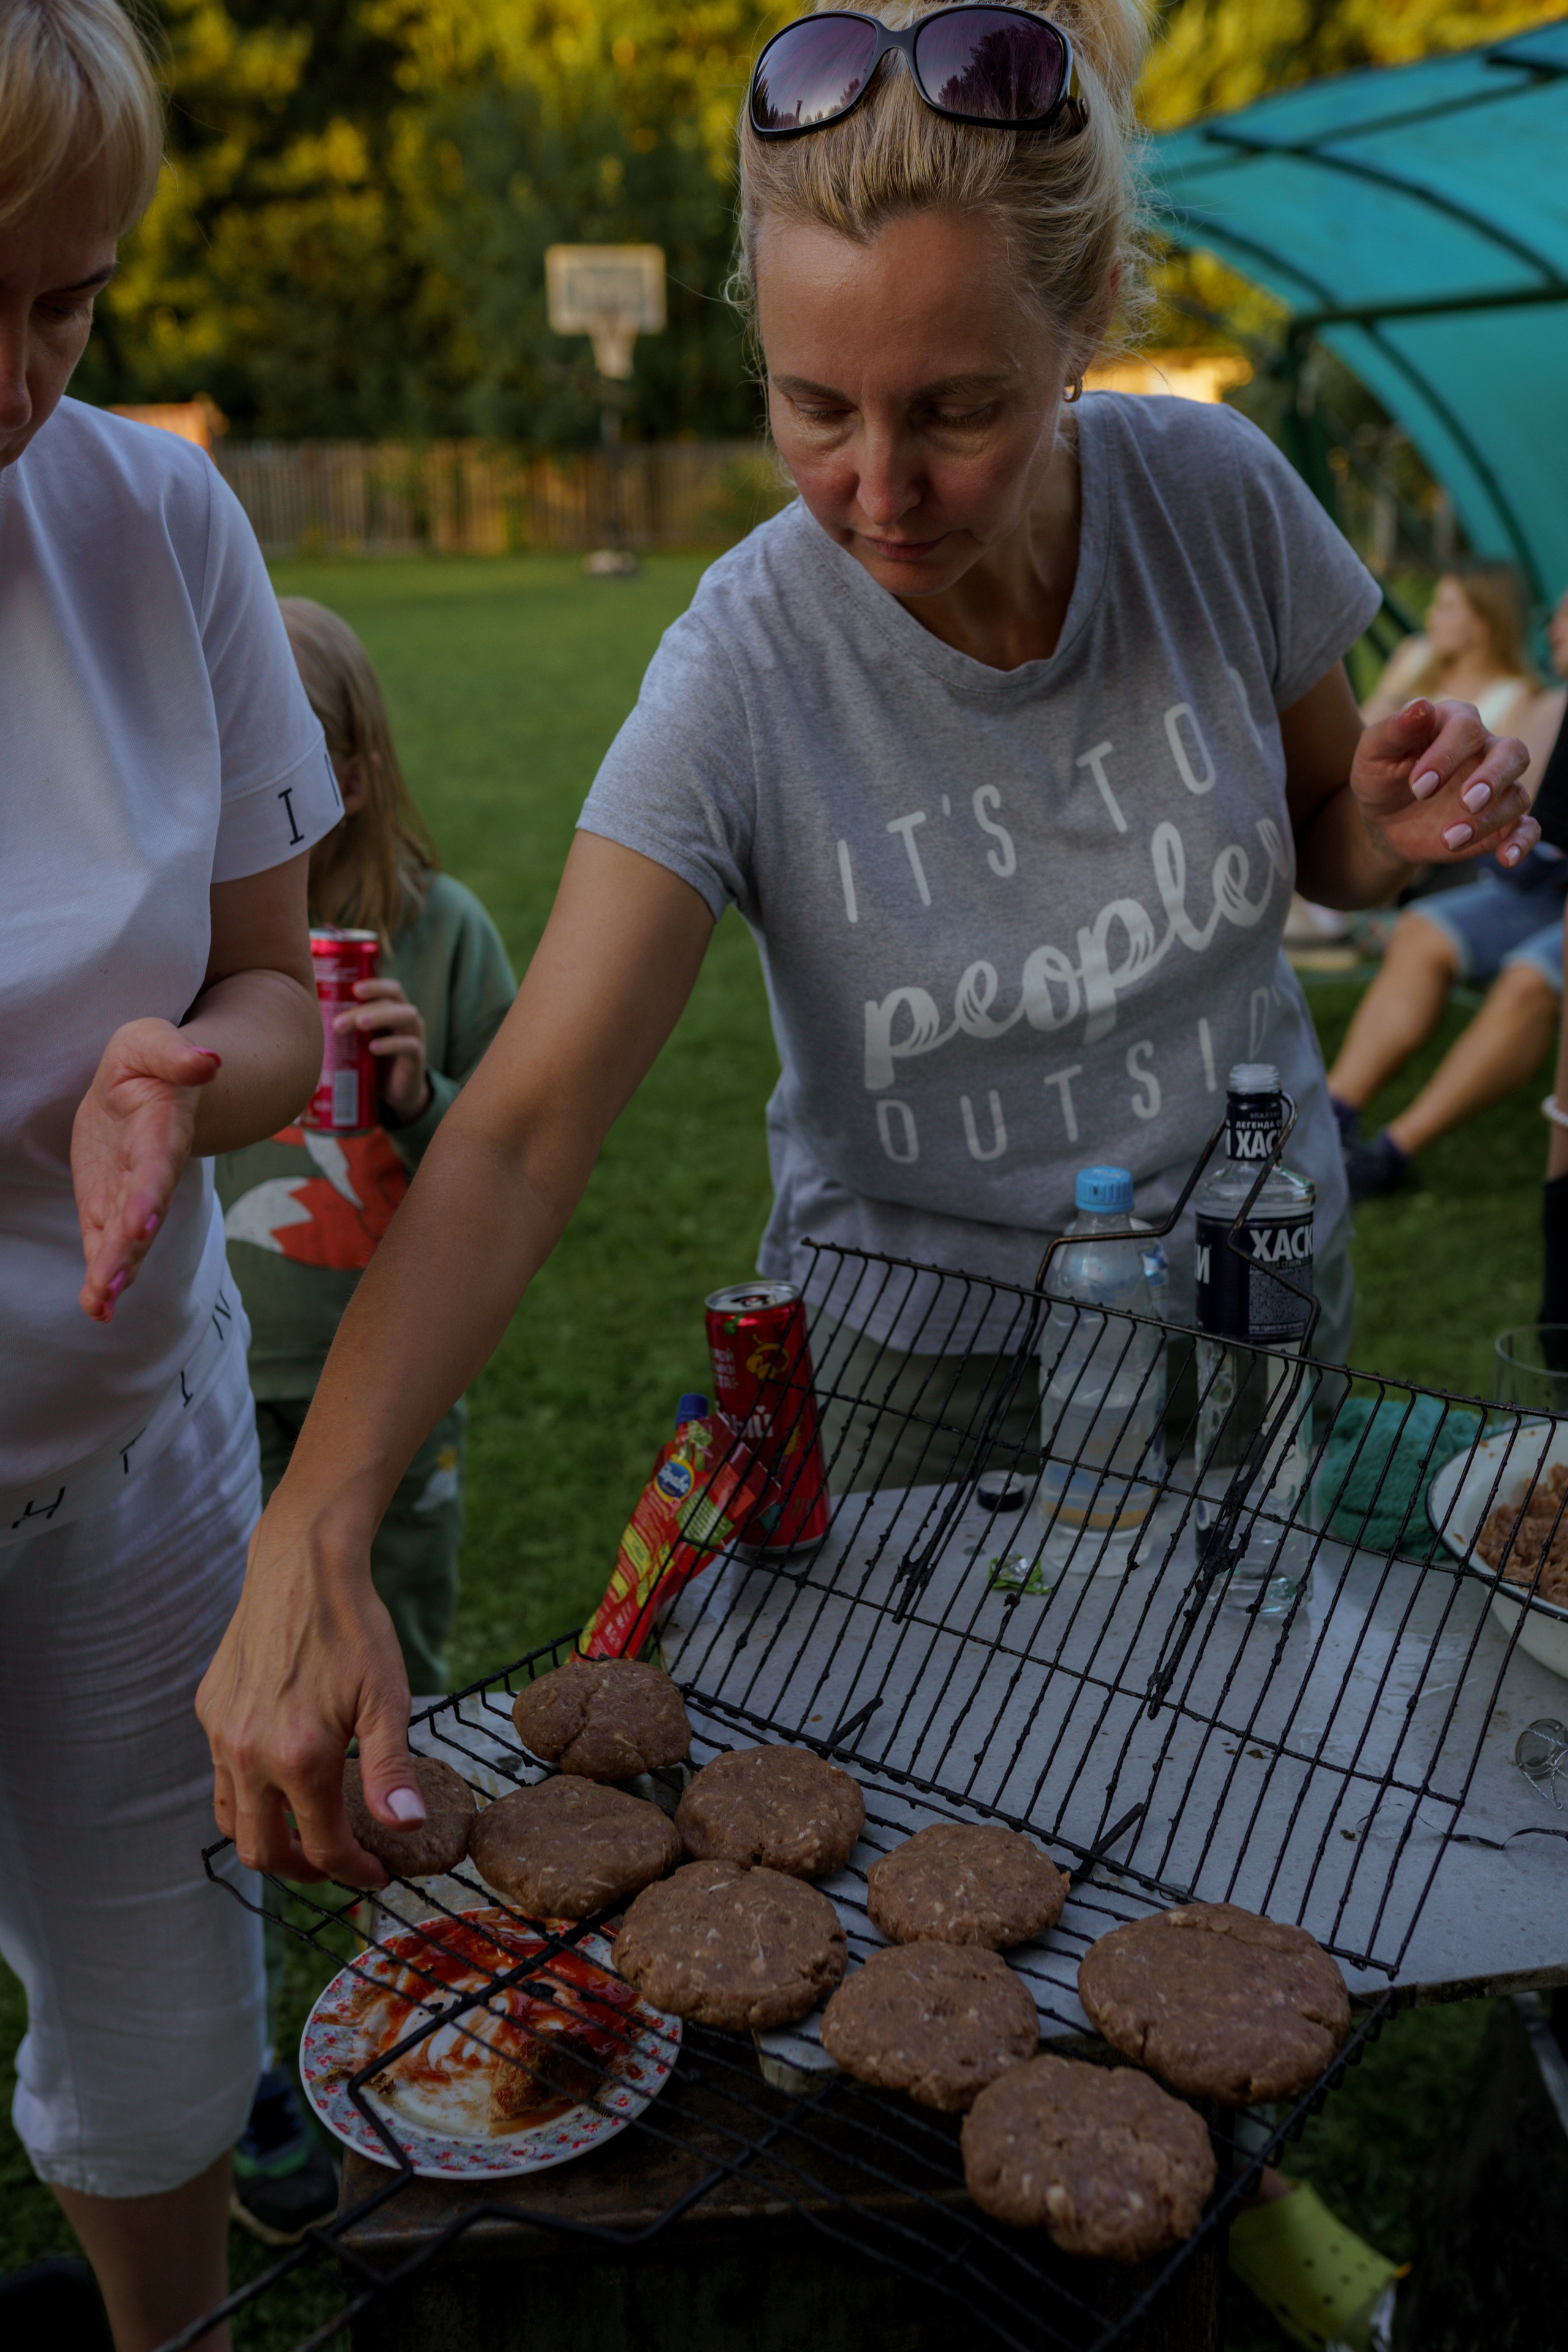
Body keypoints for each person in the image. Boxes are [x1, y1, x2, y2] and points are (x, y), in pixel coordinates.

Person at [200, 0, 1532, 1884]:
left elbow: (1325, 825)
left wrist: (1384, 840)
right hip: (913, 1380)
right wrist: (313, 1520)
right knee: (927, 1871)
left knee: (1230, 1805)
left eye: (956, 408)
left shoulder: (1219, 509)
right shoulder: (743, 671)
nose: (875, 490)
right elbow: (517, 1122)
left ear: (1084, 334)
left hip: (1247, 1295)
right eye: (813, 407)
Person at [0, 4, 342, 2345]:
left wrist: (177, 1083)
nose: (17, 379)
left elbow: (278, 991)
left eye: (64, 300)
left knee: (163, 2025)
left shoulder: (149, 516)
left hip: (127, 1448)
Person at [217, 600, 516, 2242]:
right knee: (242, 1740)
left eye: (306, 747)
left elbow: (519, 1163)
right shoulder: (184, 930)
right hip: (219, 1403)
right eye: (236, 741)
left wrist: (422, 1094)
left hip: (387, 1404)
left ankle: (435, 2000)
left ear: (356, 762)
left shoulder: (442, 929)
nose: (270, 777)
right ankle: (253, 2068)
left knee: (411, 1712)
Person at [1327, 587, 1568, 1198]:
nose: (1557, 624)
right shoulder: (1554, 705)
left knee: (1529, 978)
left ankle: (1391, 1151)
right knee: (1423, 930)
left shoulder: (1524, 695)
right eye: (1555, 608)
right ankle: (1334, 1112)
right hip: (1535, 888)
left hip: (1545, 906)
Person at [1361, 561, 1544, 736]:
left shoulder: (1513, 697)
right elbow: (1365, 726)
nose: (1430, 614)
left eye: (1446, 608)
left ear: (1482, 626)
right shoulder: (1416, 654)